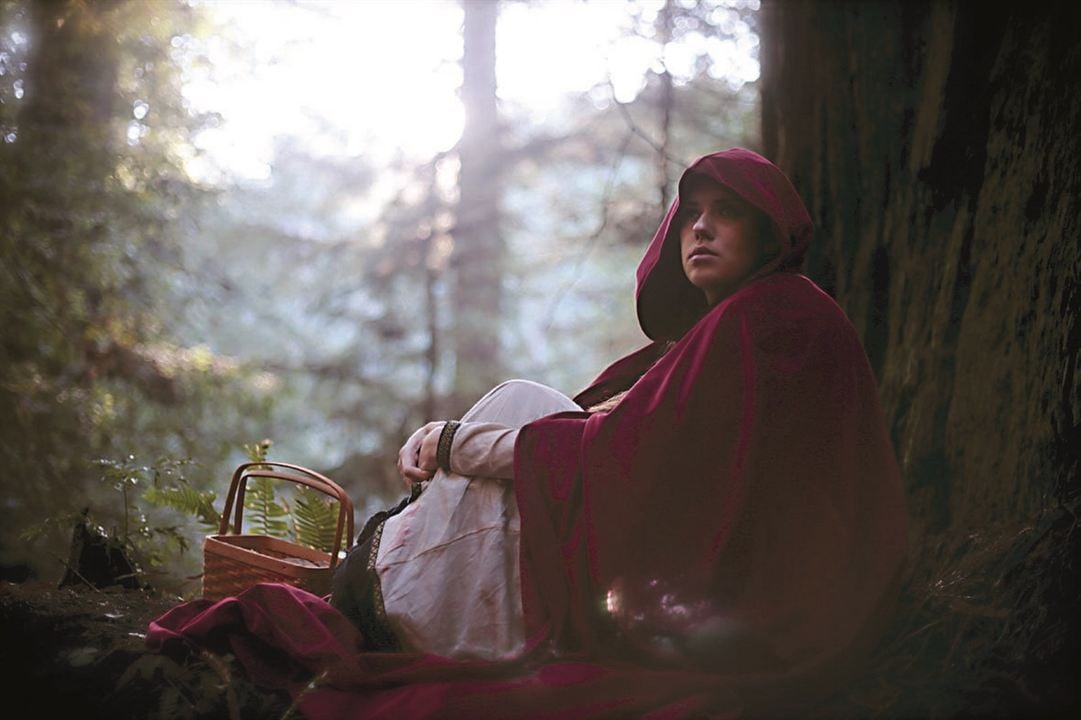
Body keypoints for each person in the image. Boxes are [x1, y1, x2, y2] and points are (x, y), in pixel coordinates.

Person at [150, 148, 908, 718]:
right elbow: (647, 448)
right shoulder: (737, 328)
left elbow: (635, 462)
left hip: (719, 603)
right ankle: (371, 575)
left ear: (770, 227)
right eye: (691, 213)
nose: (700, 227)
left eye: (727, 211)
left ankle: (369, 588)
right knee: (526, 410)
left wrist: (453, 442)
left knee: (521, 410)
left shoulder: (774, 316)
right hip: (683, 578)